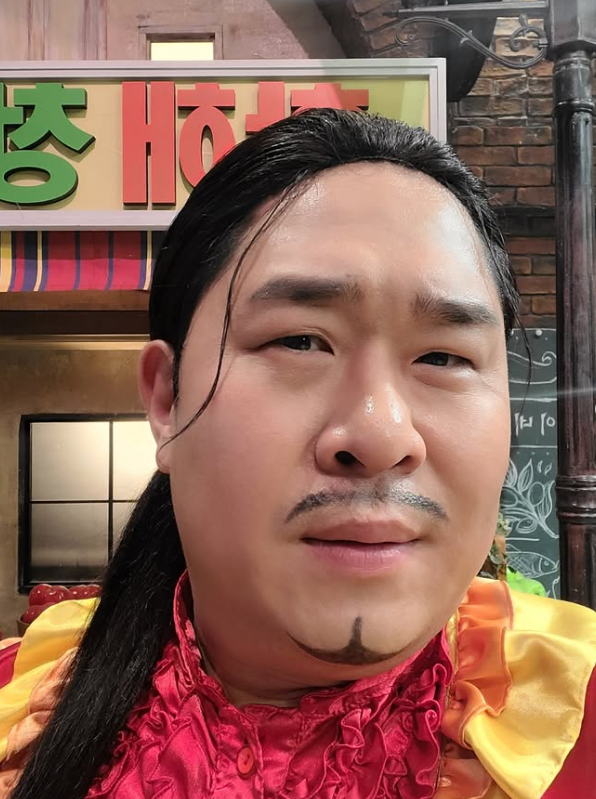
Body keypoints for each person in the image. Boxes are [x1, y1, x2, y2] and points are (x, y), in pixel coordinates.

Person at [1, 109, 595, 799]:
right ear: (166, 401)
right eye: (300, 342)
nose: (380, 436)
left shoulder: (569, 723)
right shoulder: (22, 707)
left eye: (443, 356)